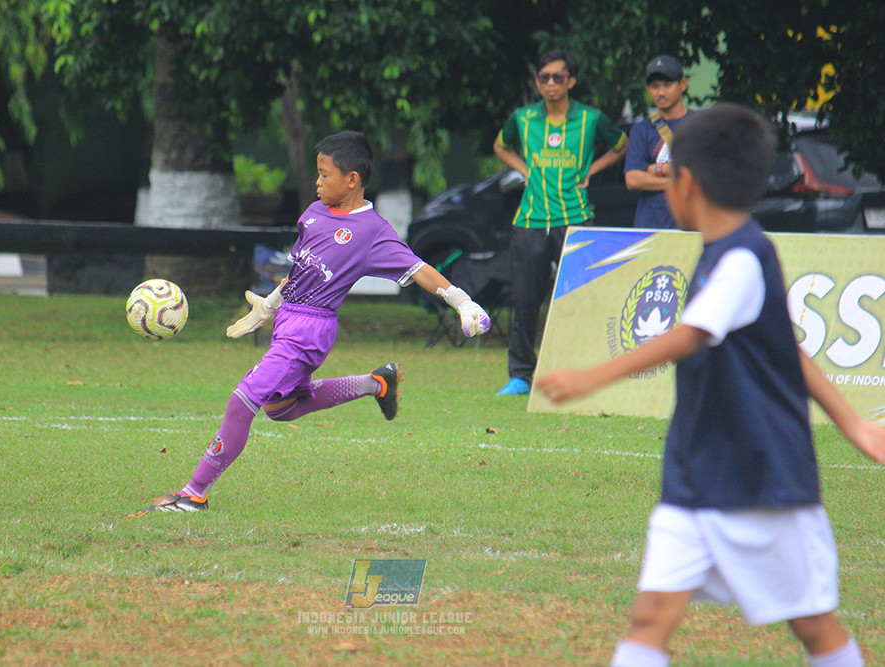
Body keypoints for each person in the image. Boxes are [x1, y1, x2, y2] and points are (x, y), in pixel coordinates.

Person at [537, 103, 885, 667]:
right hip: (697, 476)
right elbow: (786, 349)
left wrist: (590, 376)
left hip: (764, 480)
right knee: (650, 618)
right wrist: (854, 424)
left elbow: (695, 334)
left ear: (686, 184)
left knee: (814, 626)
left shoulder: (746, 256)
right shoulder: (719, 253)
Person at [133, 131, 491, 516]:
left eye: (324, 174)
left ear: (351, 180)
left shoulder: (372, 232)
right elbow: (300, 272)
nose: (317, 182)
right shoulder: (313, 214)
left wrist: (463, 302)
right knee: (281, 408)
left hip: (309, 331)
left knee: (243, 402)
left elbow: (420, 269)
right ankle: (377, 382)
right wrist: (268, 307)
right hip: (287, 321)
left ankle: (194, 494)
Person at [493, 49, 628, 396]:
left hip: (576, 217)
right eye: (544, 78)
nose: (551, 84)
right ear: (536, 82)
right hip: (530, 219)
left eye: (557, 77)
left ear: (571, 81)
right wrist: (523, 169)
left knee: (583, 296)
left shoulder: (591, 118)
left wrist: (590, 172)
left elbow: (621, 144)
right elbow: (500, 146)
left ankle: (589, 368)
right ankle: (521, 375)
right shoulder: (523, 118)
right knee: (525, 299)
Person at [624, 55, 693, 229]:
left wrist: (656, 169)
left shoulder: (701, 124)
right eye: (655, 87)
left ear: (682, 84)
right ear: (648, 89)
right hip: (650, 227)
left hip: (692, 224)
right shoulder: (641, 130)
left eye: (667, 85)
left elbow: (705, 172)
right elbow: (632, 179)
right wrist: (675, 181)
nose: (661, 92)